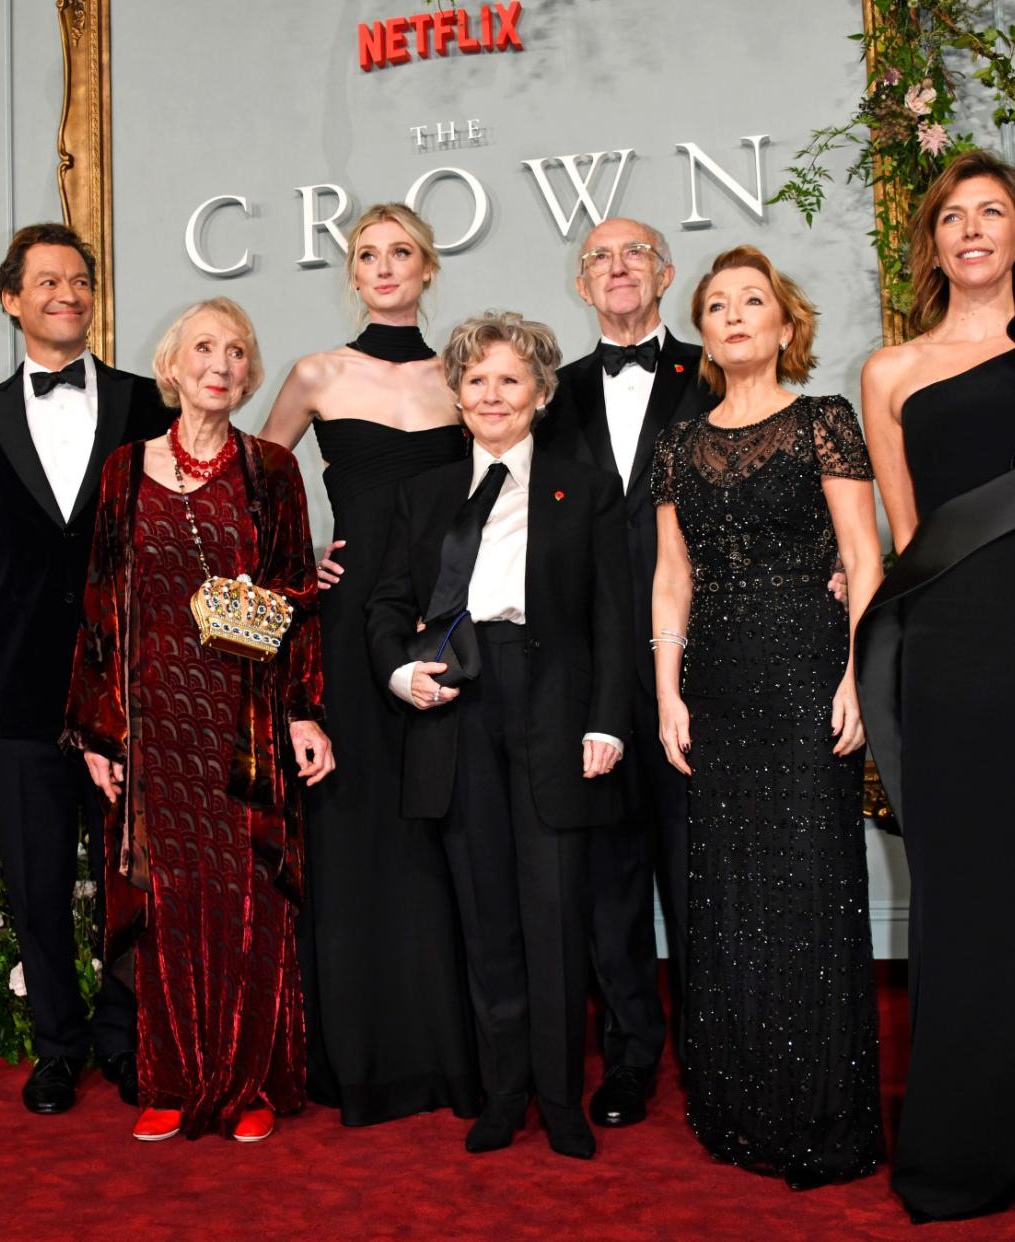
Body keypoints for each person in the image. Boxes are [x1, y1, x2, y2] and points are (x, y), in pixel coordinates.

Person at [63, 297, 333, 1142]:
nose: (221, 362)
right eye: (204, 348)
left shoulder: (272, 470)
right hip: (154, 729)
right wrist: (99, 729)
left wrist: (303, 714)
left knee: (249, 901)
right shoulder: (119, 470)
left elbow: (294, 598)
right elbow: (103, 605)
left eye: (238, 352)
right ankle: (171, 1079)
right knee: (170, 906)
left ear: (250, 376)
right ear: (172, 367)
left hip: (243, 722)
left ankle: (250, 1086)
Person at [367, 311, 634, 1160]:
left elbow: (612, 617)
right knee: (486, 920)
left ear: (542, 395)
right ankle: (503, 1091)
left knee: (554, 913)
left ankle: (560, 1099)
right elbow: (385, 607)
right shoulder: (425, 496)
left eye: (510, 380)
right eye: (476, 380)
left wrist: (606, 720)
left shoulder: (584, 489)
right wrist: (399, 674)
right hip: (452, 703)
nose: (492, 394)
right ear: (456, 394)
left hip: (552, 703)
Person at [651, 245, 883, 1188]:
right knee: (730, 888)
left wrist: (860, 675)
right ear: (704, 333)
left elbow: (865, 557)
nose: (736, 315)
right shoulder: (679, 441)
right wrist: (667, 689)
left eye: (754, 302)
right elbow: (673, 575)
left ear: (786, 327)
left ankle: (821, 1105)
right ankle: (740, 1100)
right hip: (715, 680)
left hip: (805, 671)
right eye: (717, 305)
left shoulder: (824, 420)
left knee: (811, 879)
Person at [0, 223, 170, 1114]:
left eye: (78, 280)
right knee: (35, 880)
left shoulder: (151, 405)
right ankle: (57, 1050)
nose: (65, 294)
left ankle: (126, 1039)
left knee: (132, 876)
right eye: (45, 282)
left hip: (131, 691)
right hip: (20, 689)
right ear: (11, 299)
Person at [856, 149, 1015, 1226]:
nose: (971, 228)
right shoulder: (890, 371)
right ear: (933, 246)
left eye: (994, 212)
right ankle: (967, 1146)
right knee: (968, 896)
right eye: (953, 216)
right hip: (954, 650)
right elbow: (909, 537)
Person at [259, 203, 479, 1126]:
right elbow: (254, 492)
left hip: (447, 622)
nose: (384, 268)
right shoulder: (316, 373)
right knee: (352, 834)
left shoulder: (469, 376)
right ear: (351, 274)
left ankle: (450, 1054)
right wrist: (300, 563)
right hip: (346, 629)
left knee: (441, 831)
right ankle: (356, 1059)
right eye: (367, 256)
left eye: (401, 254)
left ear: (427, 269)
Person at [537, 216, 717, 1127]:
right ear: (580, 285)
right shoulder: (547, 393)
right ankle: (632, 1059)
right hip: (591, 674)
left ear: (666, 273)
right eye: (599, 257)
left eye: (634, 253)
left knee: (701, 876)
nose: (617, 267)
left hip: (705, 666)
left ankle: (715, 1059)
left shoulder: (715, 369)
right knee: (609, 884)